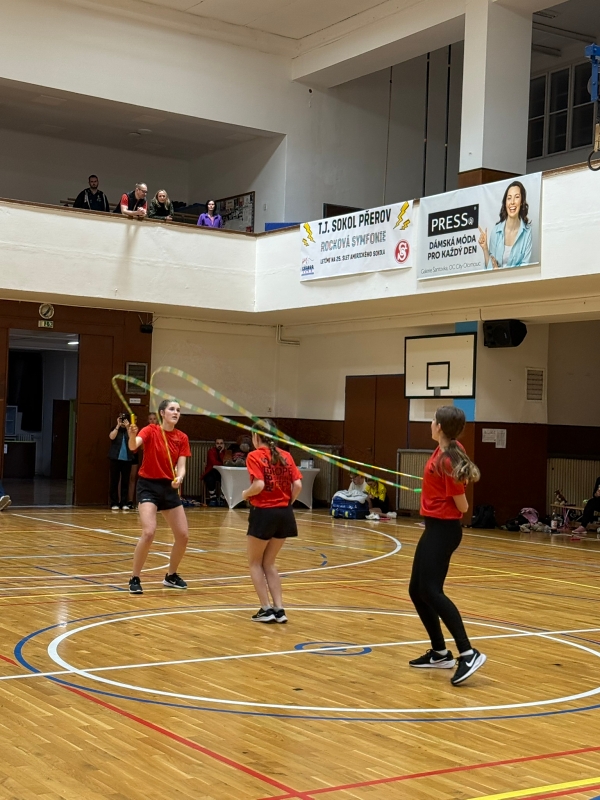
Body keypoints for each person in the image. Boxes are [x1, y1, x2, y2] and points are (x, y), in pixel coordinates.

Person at [408, 406, 486, 686]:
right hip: (434, 528)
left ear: (439, 426)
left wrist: (446, 497)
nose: (430, 423)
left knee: (431, 590)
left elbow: (462, 506)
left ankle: (468, 652)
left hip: (444, 530)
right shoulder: (448, 449)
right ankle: (440, 653)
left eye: (433, 420)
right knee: (416, 590)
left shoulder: (448, 460)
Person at [127, 399, 191, 594]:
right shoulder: (150, 430)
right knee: (149, 532)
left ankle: (171, 576)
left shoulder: (182, 437)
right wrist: (132, 435)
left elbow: (181, 466)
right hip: (148, 486)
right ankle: (134, 577)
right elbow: (133, 445)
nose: (176, 412)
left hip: (169, 487)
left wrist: (179, 478)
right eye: (171, 409)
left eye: (178, 410)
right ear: (162, 413)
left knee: (183, 536)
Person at [242, 420, 302, 623]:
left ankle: (266, 609)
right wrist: (287, 503)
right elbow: (298, 485)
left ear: (256, 436)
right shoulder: (286, 455)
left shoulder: (254, 456)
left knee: (254, 563)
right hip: (285, 514)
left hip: (263, 513)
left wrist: (245, 494)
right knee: (269, 563)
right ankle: (280, 609)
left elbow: (258, 485)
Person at [478, 180, 533, 269]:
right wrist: (485, 248)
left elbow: (524, 268)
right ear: (505, 202)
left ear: (522, 201)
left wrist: (501, 272)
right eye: (509, 198)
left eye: (517, 197)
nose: (512, 202)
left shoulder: (527, 232)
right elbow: (490, 268)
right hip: (496, 278)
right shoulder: (496, 231)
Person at [108, 412, 136, 510]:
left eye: (125, 420)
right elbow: (111, 437)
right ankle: (114, 502)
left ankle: (124, 502)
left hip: (127, 459)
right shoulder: (115, 428)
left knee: (125, 481)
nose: (123, 422)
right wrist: (118, 426)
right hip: (115, 458)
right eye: (122, 419)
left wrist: (128, 427)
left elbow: (132, 439)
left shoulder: (131, 430)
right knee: (114, 481)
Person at [202, 437, 226, 505]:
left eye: (221, 443)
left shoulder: (226, 452)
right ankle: (213, 497)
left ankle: (222, 497)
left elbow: (225, 462)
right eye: (217, 443)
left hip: (222, 473)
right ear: (215, 444)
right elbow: (214, 463)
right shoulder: (211, 451)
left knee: (227, 479)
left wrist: (221, 453)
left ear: (224, 444)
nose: (219, 445)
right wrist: (222, 463)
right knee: (209, 478)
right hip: (211, 471)